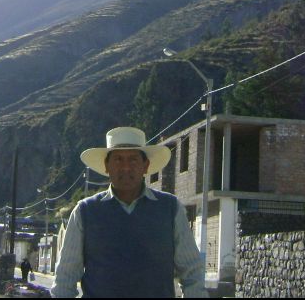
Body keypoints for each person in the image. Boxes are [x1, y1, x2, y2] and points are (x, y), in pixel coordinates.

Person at [51, 127, 207, 298]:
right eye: (118, 159)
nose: (125, 167)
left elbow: (192, 272)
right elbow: (65, 277)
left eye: (133, 159)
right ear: (106, 166)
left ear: (145, 166)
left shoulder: (170, 208)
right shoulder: (85, 211)